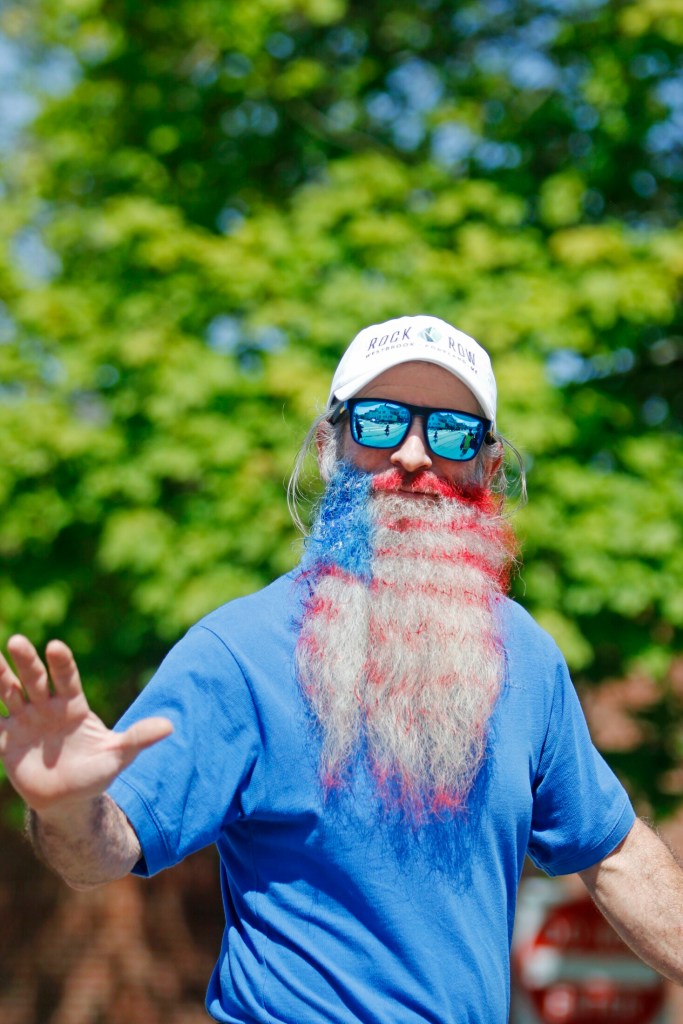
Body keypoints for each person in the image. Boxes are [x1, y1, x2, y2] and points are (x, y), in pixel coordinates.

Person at [0, 314, 681, 1024]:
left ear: (485, 467)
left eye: (450, 430)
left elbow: (617, 857)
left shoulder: (527, 659)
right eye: (381, 421)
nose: (413, 455)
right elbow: (99, 853)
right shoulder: (240, 652)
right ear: (331, 446)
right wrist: (64, 804)